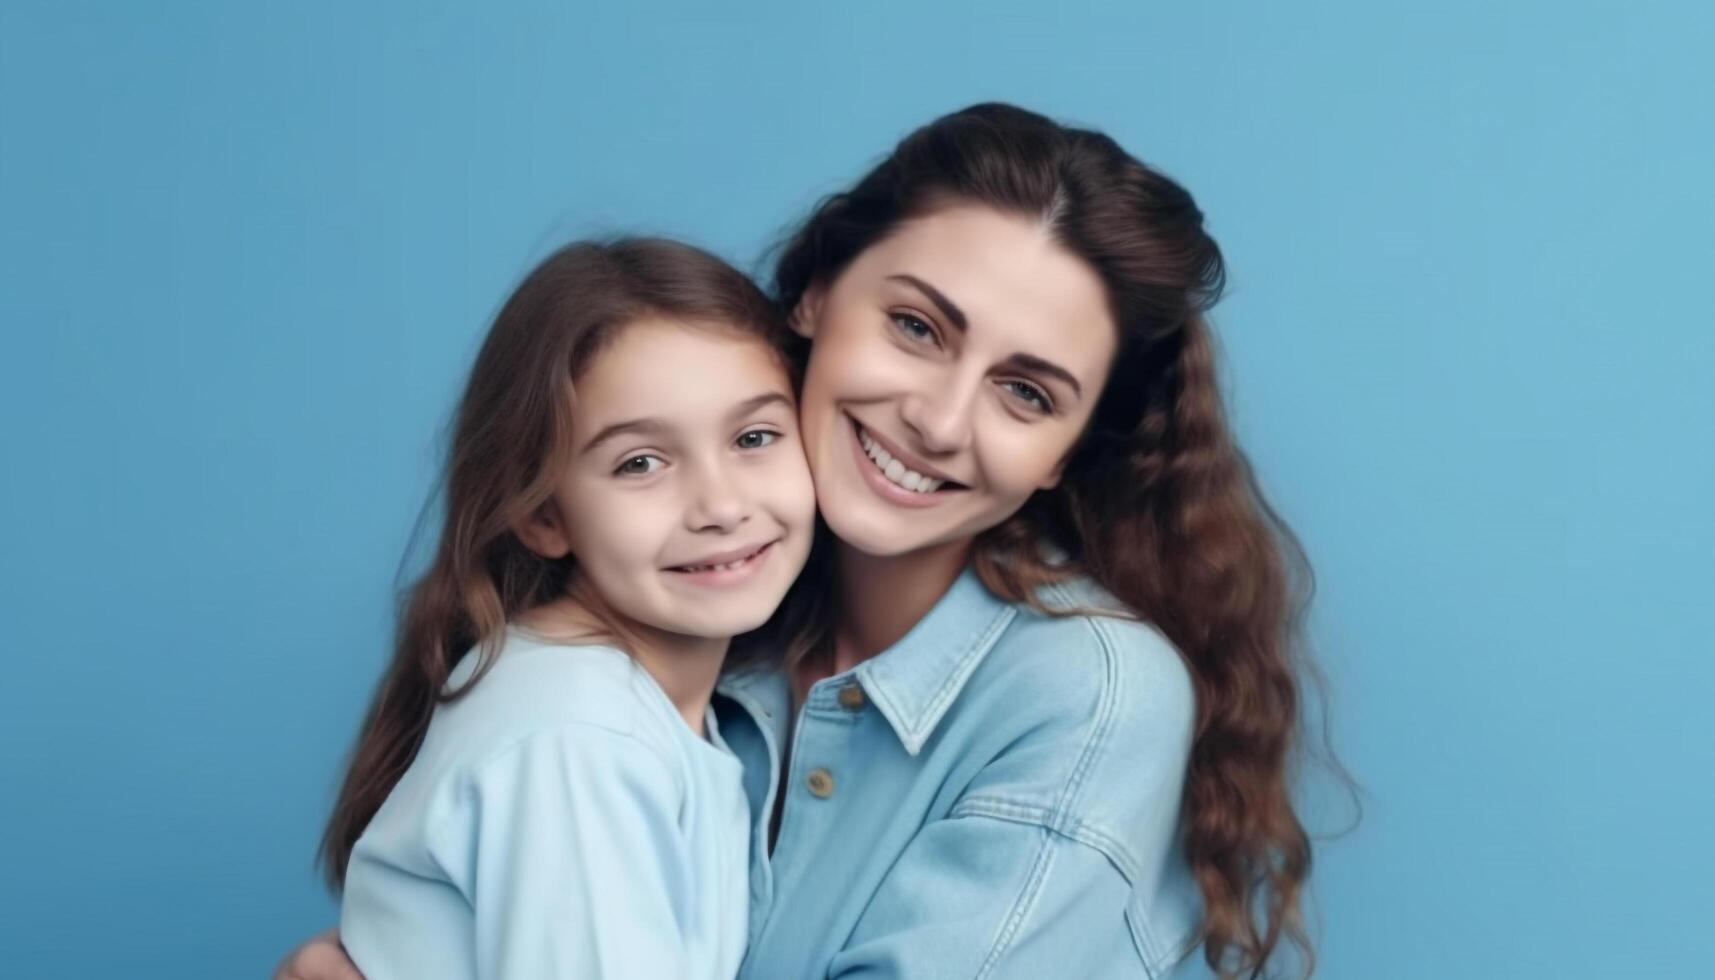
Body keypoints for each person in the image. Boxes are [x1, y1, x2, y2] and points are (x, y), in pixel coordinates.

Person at [279, 102, 1319, 979]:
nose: (941, 420)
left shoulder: (1085, 697)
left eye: (1024, 391)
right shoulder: (690, 627)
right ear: (816, 294)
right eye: (916, 327)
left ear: (1060, 453)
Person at [325, 238, 817, 979]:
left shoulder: (641, 713)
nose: (720, 506)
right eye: (639, 463)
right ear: (543, 514)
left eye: (753, 437)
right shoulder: (581, 735)